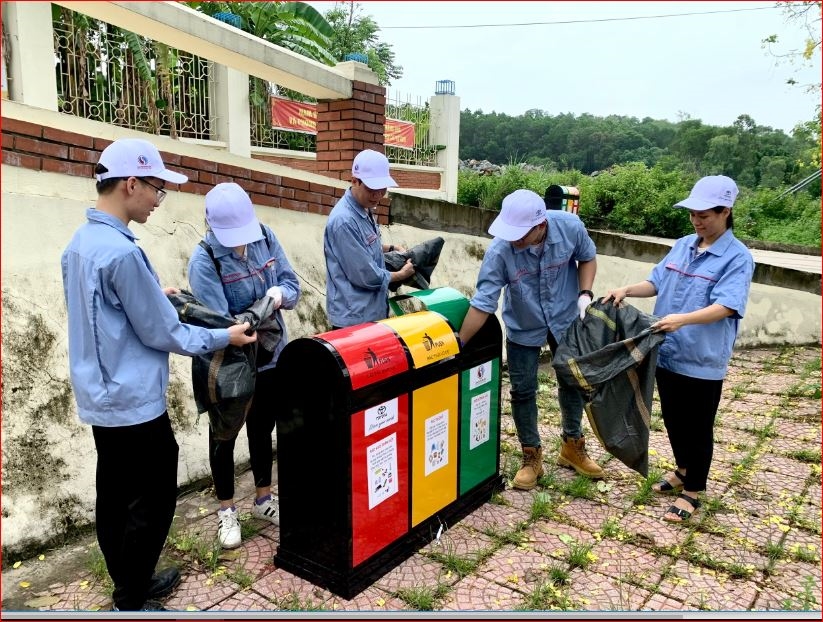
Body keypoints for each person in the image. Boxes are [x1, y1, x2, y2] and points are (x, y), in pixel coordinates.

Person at [61, 138, 257, 612]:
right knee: (151, 500)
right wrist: (223, 337)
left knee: (113, 495)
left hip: (100, 394)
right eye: (157, 189)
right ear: (131, 184)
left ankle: (131, 579)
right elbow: (163, 332)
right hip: (133, 400)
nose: (157, 201)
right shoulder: (124, 254)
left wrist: (153, 290)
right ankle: (132, 598)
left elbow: (109, 312)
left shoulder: (82, 243)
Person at [601, 175, 754, 523]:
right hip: (666, 350)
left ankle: (693, 491)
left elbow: (727, 306)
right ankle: (682, 470)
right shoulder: (684, 244)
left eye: (705, 215)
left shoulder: (737, 257)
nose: (697, 221)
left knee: (697, 425)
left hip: (701, 358)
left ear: (725, 212)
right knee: (672, 418)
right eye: (693, 215)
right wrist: (626, 289)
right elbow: (656, 281)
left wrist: (682, 320)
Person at [459, 188, 603, 491]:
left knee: (572, 382)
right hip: (524, 325)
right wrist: (459, 343)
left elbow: (588, 258)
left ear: (540, 226)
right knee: (523, 390)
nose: (514, 240)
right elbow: (484, 301)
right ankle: (531, 456)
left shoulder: (569, 228)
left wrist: (585, 294)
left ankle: (572, 446)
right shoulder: (501, 251)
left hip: (565, 317)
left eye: (520, 234)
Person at [187, 182, 301, 549]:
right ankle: (225, 510)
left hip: (270, 354)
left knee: (262, 425)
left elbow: (291, 284)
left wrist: (278, 295)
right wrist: (257, 310)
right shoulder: (204, 260)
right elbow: (222, 324)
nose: (240, 244)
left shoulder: (264, 237)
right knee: (224, 434)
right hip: (229, 363)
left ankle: (264, 500)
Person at [324, 149, 415, 329]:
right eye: (372, 189)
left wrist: (390, 248)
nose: (378, 195)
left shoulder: (364, 208)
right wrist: (400, 275)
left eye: (382, 189)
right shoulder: (344, 221)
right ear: (354, 181)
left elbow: (363, 244)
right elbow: (365, 275)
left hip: (371, 312)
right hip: (354, 320)